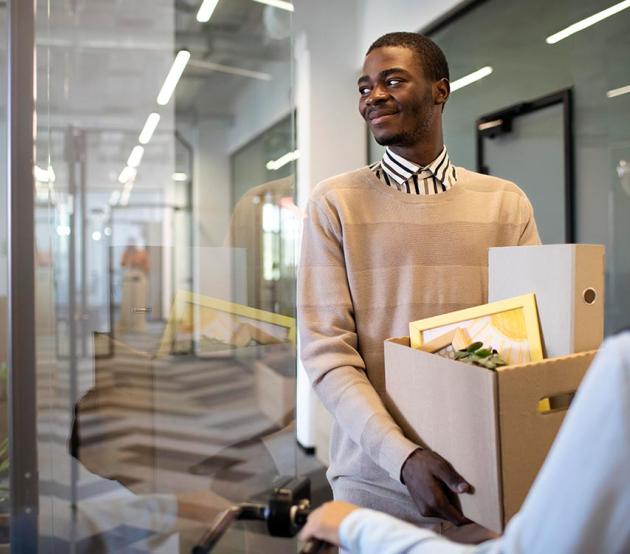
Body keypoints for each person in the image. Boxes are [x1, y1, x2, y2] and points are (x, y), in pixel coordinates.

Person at [297, 32, 540, 539]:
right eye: (365, 87)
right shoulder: (334, 203)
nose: (373, 96)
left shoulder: (505, 203)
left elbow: (530, 339)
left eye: (392, 80)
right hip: (373, 484)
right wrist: (403, 458)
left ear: (440, 90)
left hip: (483, 481)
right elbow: (327, 354)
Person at [299, 330, 630, 553]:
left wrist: (354, 527)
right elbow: (328, 356)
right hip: (381, 491)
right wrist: (401, 457)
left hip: (476, 504)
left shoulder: (621, 369)